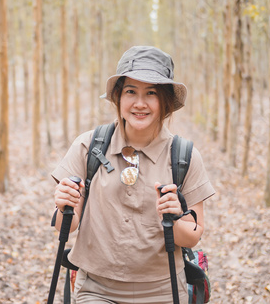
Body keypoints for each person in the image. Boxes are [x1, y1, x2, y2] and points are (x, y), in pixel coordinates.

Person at [51, 46, 215, 303]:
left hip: (164, 290)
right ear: (118, 98)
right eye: (131, 92)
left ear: (165, 101)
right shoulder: (88, 146)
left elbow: (193, 235)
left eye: (151, 93)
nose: (140, 103)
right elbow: (66, 226)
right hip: (95, 288)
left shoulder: (184, 156)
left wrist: (175, 217)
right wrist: (64, 205)